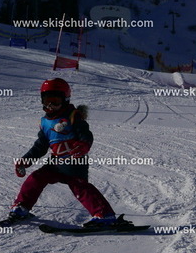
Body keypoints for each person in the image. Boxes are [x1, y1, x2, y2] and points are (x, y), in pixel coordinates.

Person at [8, 78, 119, 227]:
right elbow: (40, 146)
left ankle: (105, 215)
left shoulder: (73, 116)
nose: (50, 106)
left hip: (75, 162)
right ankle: (21, 207)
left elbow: (86, 134)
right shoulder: (45, 122)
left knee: (79, 187)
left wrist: (83, 145)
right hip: (55, 163)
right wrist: (25, 160)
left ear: (65, 100)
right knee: (36, 178)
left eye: (55, 101)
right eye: (46, 101)